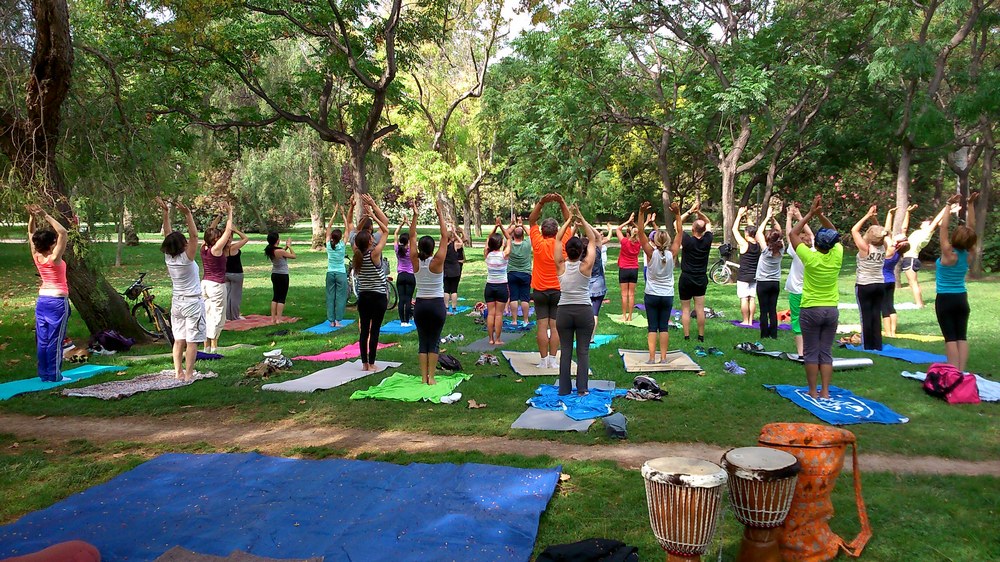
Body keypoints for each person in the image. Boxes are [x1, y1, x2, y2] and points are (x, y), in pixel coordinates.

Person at [789, 195, 843, 400]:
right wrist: (821, 216)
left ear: (816, 243)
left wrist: (811, 213)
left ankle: (812, 391)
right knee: (826, 352)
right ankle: (826, 391)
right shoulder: (837, 254)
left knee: (811, 351)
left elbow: (793, 233)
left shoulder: (810, 257)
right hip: (831, 309)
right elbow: (835, 233)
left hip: (811, 308)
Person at [156, 197, 205, 382]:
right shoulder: (187, 258)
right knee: (192, 341)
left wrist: (166, 214)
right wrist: (188, 215)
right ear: (183, 245)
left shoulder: (169, 259)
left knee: (179, 340)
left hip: (177, 303)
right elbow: (194, 236)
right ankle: (189, 374)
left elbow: (168, 235)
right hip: (192, 302)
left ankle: (178, 373)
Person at [554, 205, 598, 396]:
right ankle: (582, 389)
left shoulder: (561, 266)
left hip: (563, 311)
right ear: (581, 251)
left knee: (565, 351)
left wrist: (569, 220)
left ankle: (564, 389)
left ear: (567, 250)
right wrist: (580, 216)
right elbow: (594, 239)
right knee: (583, 351)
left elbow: (557, 238)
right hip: (583, 312)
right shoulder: (586, 266)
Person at [529, 193, 574, 368]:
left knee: (541, 326)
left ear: (542, 231)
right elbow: (568, 219)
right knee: (555, 327)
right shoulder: (562, 242)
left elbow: (532, 221)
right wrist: (562, 201)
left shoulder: (537, 242)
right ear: (557, 231)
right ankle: (553, 361)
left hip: (540, 291)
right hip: (558, 290)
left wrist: (541, 202)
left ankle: (543, 361)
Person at [26, 204, 70, 383]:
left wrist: (32, 218)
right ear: (52, 244)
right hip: (57, 302)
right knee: (55, 340)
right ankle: (54, 375)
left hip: (42, 300)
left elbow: (31, 234)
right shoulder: (54, 258)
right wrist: (45, 215)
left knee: (43, 339)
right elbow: (63, 232)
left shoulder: (37, 255)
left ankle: (44, 374)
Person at [934, 194, 977, 372]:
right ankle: (961, 371)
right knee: (962, 337)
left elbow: (943, 228)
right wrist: (970, 204)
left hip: (945, 299)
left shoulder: (948, 254)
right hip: (961, 298)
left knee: (950, 338)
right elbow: (972, 229)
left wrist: (948, 205)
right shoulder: (969, 254)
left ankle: (953, 373)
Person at [410, 200, 450, 385]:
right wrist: (440, 214)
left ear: (419, 247)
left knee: (422, 342)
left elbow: (411, 237)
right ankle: (431, 378)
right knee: (433, 342)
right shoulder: (438, 261)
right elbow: (445, 236)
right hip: (436, 305)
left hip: (420, 305)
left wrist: (415, 216)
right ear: (432, 248)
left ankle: (422, 377)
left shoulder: (415, 261)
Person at [638, 201, 683, 363]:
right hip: (667, 295)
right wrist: (677, 214)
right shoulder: (673, 254)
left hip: (651, 294)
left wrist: (641, 212)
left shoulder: (650, 253)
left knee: (652, 327)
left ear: (655, 241)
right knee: (663, 327)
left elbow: (641, 231)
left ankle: (651, 358)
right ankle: (663, 358)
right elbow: (680, 232)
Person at [354, 196, 391, 371]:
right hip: (378, 297)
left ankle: (364, 364)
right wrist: (374, 215)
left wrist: (363, 221)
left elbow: (354, 232)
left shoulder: (357, 253)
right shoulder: (374, 254)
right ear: (370, 240)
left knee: (364, 331)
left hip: (363, 296)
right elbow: (386, 231)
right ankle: (373, 362)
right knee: (374, 329)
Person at [851, 205, 892, 351]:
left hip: (864, 284)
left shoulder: (865, 247)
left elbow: (854, 230)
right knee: (876, 314)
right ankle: (877, 345)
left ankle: (867, 346)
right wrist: (874, 218)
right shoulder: (884, 246)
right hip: (879, 284)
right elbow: (883, 233)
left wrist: (867, 215)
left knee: (866, 315)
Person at [899, 203, 948, 307]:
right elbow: (903, 229)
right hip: (909, 259)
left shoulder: (926, 233)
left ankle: (920, 304)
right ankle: (919, 303)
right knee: (912, 282)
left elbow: (936, 221)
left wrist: (947, 206)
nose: (923, 222)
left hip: (911, 259)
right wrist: (908, 213)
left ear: (929, 225)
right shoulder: (919, 232)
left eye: (926, 222)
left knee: (913, 283)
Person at [200, 204, 234, 353]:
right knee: (218, 314)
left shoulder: (204, 247)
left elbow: (209, 231)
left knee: (206, 313)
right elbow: (228, 231)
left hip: (205, 284)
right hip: (216, 285)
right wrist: (230, 213)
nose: (221, 238)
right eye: (218, 237)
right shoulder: (216, 249)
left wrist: (219, 216)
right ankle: (214, 346)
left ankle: (205, 346)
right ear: (215, 239)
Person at [677, 202, 713, 343]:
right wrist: (700, 213)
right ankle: (701, 336)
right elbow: (708, 222)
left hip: (686, 277)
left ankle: (686, 336)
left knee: (685, 309)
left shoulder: (687, 240)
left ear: (692, 229)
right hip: (700, 278)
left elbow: (676, 223)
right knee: (699, 308)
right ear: (703, 230)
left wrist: (690, 211)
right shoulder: (708, 240)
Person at [785, 203, 814, 355]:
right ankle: (813, 350)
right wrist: (800, 217)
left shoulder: (798, 253)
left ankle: (802, 353)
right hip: (812, 293)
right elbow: (813, 237)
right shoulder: (815, 251)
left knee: (797, 322)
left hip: (797, 292)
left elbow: (790, 235)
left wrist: (789, 218)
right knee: (811, 322)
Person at [754, 207, 784, 340]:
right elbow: (780, 232)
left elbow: (759, 232)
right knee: (772, 309)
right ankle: (774, 334)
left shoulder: (766, 251)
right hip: (775, 283)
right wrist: (774, 219)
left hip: (763, 283)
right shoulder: (781, 250)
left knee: (763, 310)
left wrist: (767, 217)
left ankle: (764, 334)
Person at [881, 207, 908, 338]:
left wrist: (889, 214)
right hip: (891, 281)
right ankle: (893, 331)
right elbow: (902, 230)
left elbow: (886, 232)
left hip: (882, 281)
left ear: (898, 242)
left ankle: (888, 333)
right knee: (890, 305)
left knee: (884, 308)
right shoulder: (898, 252)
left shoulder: (890, 249)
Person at [484, 218, 512, 345]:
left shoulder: (487, 254)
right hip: (501, 287)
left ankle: (490, 339)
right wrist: (501, 227)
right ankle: (498, 339)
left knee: (491, 314)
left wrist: (495, 227)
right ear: (501, 244)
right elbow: (510, 239)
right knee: (499, 314)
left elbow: (488, 240)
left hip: (489, 286)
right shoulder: (504, 255)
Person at [732, 206, 761, 326]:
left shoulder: (744, 244)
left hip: (744, 276)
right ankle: (750, 320)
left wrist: (739, 215)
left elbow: (734, 230)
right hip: (755, 275)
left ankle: (745, 321)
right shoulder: (759, 244)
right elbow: (754, 229)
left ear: (747, 233)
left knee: (744, 298)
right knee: (752, 298)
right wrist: (747, 216)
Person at [506, 217, 533, 326]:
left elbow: (506, 234)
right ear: (522, 236)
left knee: (513, 297)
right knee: (525, 298)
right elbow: (531, 234)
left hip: (512, 273)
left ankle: (514, 320)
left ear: (514, 235)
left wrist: (514, 226)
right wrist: (521, 225)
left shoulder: (510, 244)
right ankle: (526, 320)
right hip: (525, 274)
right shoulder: (527, 244)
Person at [325, 205, 349, 327]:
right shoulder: (342, 245)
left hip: (330, 273)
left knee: (330, 296)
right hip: (340, 273)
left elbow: (328, 227)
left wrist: (334, 213)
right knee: (340, 297)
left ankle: (331, 321)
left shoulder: (329, 244)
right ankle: (338, 320)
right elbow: (347, 229)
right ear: (340, 238)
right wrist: (343, 214)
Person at [264, 232, 296, 324]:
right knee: (282, 297)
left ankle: (273, 318)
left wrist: (285, 247)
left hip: (275, 274)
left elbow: (282, 252)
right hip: (283, 275)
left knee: (275, 297)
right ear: (277, 240)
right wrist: (289, 246)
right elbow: (293, 256)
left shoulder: (270, 250)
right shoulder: (280, 251)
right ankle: (279, 319)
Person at [614, 213, 641, 321]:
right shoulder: (639, 243)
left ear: (628, 234)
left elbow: (618, 229)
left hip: (624, 269)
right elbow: (641, 231)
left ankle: (624, 315)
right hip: (634, 269)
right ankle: (630, 316)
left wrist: (628, 220)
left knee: (624, 295)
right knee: (631, 294)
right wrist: (634, 223)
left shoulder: (625, 242)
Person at [588, 225, 611, 341]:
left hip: (586, 285)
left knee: (585, 313)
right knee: (594, 313)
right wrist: (584, 222)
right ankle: (591, 337)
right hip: (598, 284)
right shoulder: (597, 250)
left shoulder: (583, 253)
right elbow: (597, 236)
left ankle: (585, 336)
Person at [222, 223, 249, 321]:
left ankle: (226, 316)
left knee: (227, 295)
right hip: (236, 274)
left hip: (226, 274)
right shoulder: (233, 248)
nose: (230, 239)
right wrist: (236, 231)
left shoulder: (221, 248)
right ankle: (234, 316)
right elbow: (246, 239)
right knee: (235, 297)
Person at [394, 221, 416, 326]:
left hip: (401, 276)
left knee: (401, 299)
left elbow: (395, 234)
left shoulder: (398, 249)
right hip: (410, 276)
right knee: (408, 299)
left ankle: (402, 321)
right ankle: (407, 321)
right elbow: (414, 234)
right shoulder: (411, 249)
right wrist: (408, 223)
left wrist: (401, 224)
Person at [443, 229, 465, 314]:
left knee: (446, 289)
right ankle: (454, 307)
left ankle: (446, 307)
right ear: (451, 237)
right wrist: (456, 234)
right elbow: (461, 243)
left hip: (446, 270)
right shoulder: (455, 245)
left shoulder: (443, 246)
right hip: (455, 269)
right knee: (454, 289)